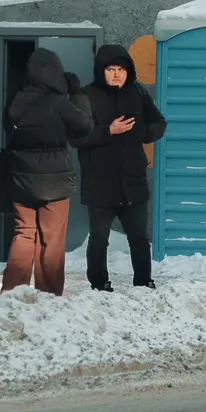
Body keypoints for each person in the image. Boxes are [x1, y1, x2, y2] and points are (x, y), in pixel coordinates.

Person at [0, 48, 94, 295]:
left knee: (23, 234)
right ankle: (49, 296)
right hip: (55, 182)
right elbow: (84, 126)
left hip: (21, 179)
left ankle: (12, 293)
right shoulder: (60, 103)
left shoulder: (15, 102)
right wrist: (77, 93)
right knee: (51, 240)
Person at [77, 44, 166, 291]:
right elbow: (76, 137)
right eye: (111, 69)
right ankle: (99, 283)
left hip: (133, 182)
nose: (117, 75)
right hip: (100, 184)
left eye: (122, 70)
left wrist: (142, 133)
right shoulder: (86, 96)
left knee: (139, 238)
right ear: (101, 71)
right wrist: (109, 131)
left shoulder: (137, 92)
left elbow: (159, 122)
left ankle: (143, 282)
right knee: (98, 239)